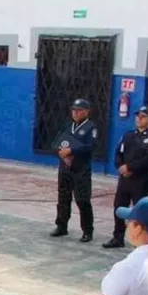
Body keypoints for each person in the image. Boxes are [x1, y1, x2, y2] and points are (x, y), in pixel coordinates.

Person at [103, 106, 148, 249]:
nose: (139, 119)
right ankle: (118, 237)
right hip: (125, 179)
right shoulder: (128, 135)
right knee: (119, 207)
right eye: (138, 116)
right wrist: (121, 166)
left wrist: (130, 168)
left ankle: (140, 239)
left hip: (140, 180)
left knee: (139, 210)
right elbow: (118, 153)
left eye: (143, 116)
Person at [50, 98, 97, 242]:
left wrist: (71, 150)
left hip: (80, 169)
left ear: (86, 111)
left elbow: (90, 146)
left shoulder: (91, 127)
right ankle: (61, 225)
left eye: (79, 110)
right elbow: (56, 143)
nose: (75, 113)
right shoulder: (67, 126)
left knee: (82, 199)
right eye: (74, 110)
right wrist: (60, 153)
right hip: (65, 167)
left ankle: (87, 231)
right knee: (63, 198)